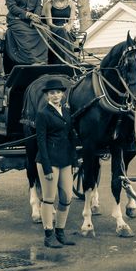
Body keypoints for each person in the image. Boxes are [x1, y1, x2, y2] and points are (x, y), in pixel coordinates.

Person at [34, 77, 79, 248]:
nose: (56, 95)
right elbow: (41, 142)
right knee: (48, 198)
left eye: (58, 92)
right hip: (49, 161)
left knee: (67, 197)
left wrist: (74, 160)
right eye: (52, 93)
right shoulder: (43, 114)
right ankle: (49, 235)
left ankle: (60, 232)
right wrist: (46, 167)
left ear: (62, 95)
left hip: (66, 160)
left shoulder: (66, 113)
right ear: (47, 96)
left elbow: (71, 138)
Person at [4, 0, 47, 69]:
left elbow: (38, 5)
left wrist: (35, 17)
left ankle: (42, 61)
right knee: (25, 33)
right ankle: (33, 61)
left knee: (43, 31)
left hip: (33, 19)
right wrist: (27, 15)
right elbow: (12, 7)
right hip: (17, 20)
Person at [41, 0, 77, 64]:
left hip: (67, 29)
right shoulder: (48, 4)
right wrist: (60, 27)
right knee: (62, 31)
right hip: (54, 29)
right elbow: (49, 23)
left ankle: (67, 60)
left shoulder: (71, 3)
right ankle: (70, 60)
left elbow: (71, 21)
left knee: (64, 32)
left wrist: (68, 26)